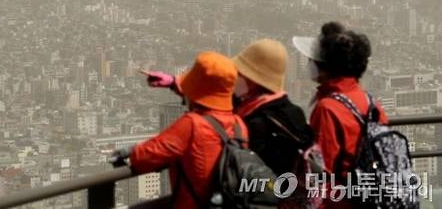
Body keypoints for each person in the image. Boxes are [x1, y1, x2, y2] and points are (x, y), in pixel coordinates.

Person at [145, 39, 313, 177]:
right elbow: (218, 97)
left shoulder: (257, 123)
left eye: (240, 73)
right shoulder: (288, 111)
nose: (235, 76)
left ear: (253, 80)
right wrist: (175, 82)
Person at [112, 51, 248, 208]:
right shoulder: (239, 125)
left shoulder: (192, 124)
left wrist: (128, 152)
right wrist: (173, 83)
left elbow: (148, 156)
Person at [293, 22, 388, 208]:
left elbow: (322, 171)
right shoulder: (371, 104)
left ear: (327, 67)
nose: (310, 63)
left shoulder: (328, 108)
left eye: (314, 60)